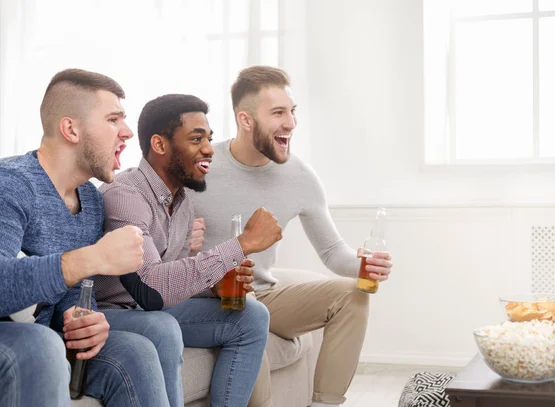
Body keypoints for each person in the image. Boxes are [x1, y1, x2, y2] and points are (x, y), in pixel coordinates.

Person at [189, 66, 394, 407]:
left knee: (353, 295)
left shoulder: (299, 176)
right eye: (278, 113)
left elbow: (331, 250)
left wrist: (362, 265)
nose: (291, 123)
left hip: (263, 294)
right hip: (211, 297)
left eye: (292, 112)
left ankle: (324, 404)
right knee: (247, 311)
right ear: (246, 120)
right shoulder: (201, 166)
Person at [0, 68, 184, 406]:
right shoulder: (10, 184)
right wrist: (94, 257)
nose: (127, 132)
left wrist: (80, 318)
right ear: (71, 129)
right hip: (20, 339)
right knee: (40, 344)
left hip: (45, 333)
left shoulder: (92, 200)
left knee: (137, 350)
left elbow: (70, 293)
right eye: (114, 119)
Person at [94, 93, 282, 407]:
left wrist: (213, 287)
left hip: (152, 309)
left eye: (209, 138)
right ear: (159, 144)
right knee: (162, 325)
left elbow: (173, 280)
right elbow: (151, 287)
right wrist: (241, 244)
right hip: (114, 313)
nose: (209, 148)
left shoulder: (182, 202)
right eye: (196, 139)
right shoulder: (125, 195)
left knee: (251, 316)